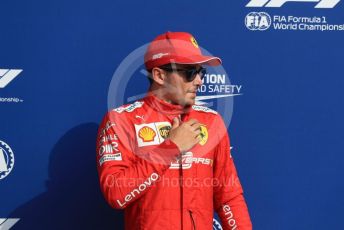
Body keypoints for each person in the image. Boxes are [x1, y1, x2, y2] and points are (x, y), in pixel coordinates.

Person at [96, 31, 252, 230]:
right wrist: (170, 149)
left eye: (200, 72)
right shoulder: (121, 120)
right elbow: (116, 194)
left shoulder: (212, 122)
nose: (199, 81)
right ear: (160, 75)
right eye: (189, 73)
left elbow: (228, 196)